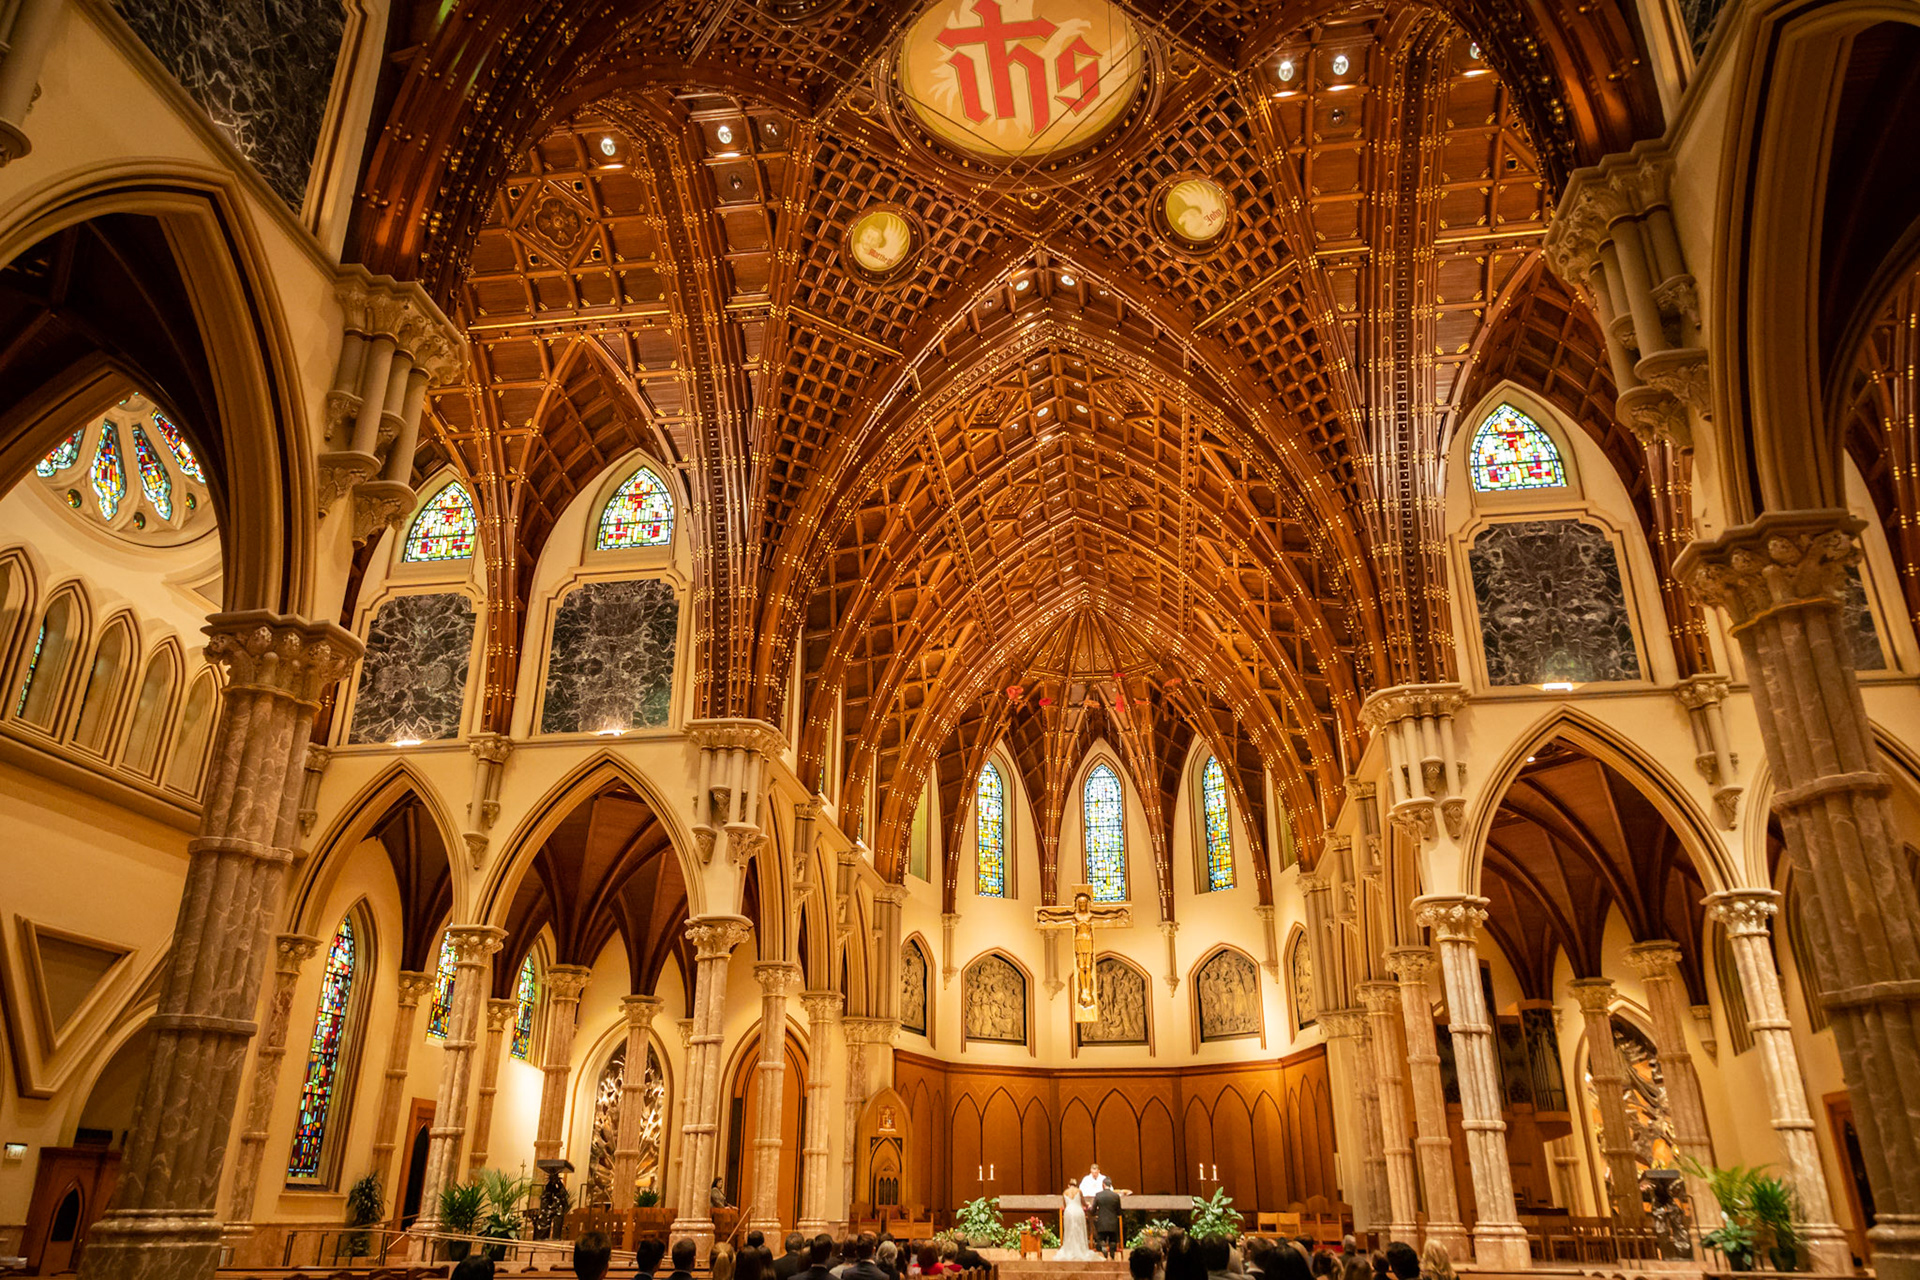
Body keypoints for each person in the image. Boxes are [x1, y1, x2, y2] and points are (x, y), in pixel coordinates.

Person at [1056, 1183, 1104, 1261]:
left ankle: (1070, 1249)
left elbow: (1065, 1205)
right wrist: (1087, 1204)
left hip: (1068, 1212)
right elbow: (1083, 1202)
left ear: (1068, 1185)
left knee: (1069, 1231)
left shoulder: (1065, 1192)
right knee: (1079, 1230)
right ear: (1076, 1185)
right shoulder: (1079, 1191)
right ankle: (1080, 1249)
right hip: (1078, 1211)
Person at [1093, 1180, 1124, 1259]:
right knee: (1113, 1239)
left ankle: (1103, 1246)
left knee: (1100, 1238)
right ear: (1110, 1185)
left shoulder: (1098, 1195)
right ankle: (1112, 1253)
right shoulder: (1116, 1196)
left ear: (1103, 1185)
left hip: (1102, 1222)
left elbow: (1093, 1210)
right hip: (1113, 1222)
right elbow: (1119, 1211)